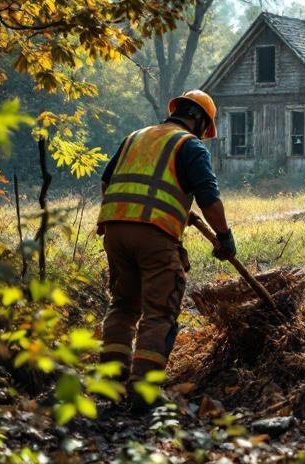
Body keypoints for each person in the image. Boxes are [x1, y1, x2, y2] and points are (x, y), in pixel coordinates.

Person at [96, 89, 235, 410]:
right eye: (205, 127)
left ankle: (110, 382)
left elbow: (107, 183)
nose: (204, 134)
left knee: (123, 304)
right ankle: (143, 393)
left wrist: (157, 207)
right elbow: (208, 198)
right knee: (159, 311)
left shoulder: (136, 137)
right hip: (154, 236)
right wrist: (224, 236)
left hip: (115, 230)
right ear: (198, 119)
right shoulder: (189, 145)